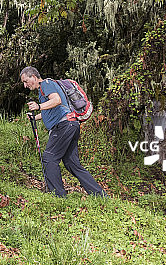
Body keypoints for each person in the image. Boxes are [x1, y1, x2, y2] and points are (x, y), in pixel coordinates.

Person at [20, 66, 106, 197]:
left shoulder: (46, 84)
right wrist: (35, 117)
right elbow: (52, 109)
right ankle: (100, 195)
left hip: (64, 126)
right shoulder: (44, 90)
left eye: (26, 81)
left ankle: (58, 196)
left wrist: (38, 106)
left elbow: (56, 100)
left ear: (34, 77)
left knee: (49, 158)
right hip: (71, 125)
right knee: (72, 164)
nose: (25, 86)